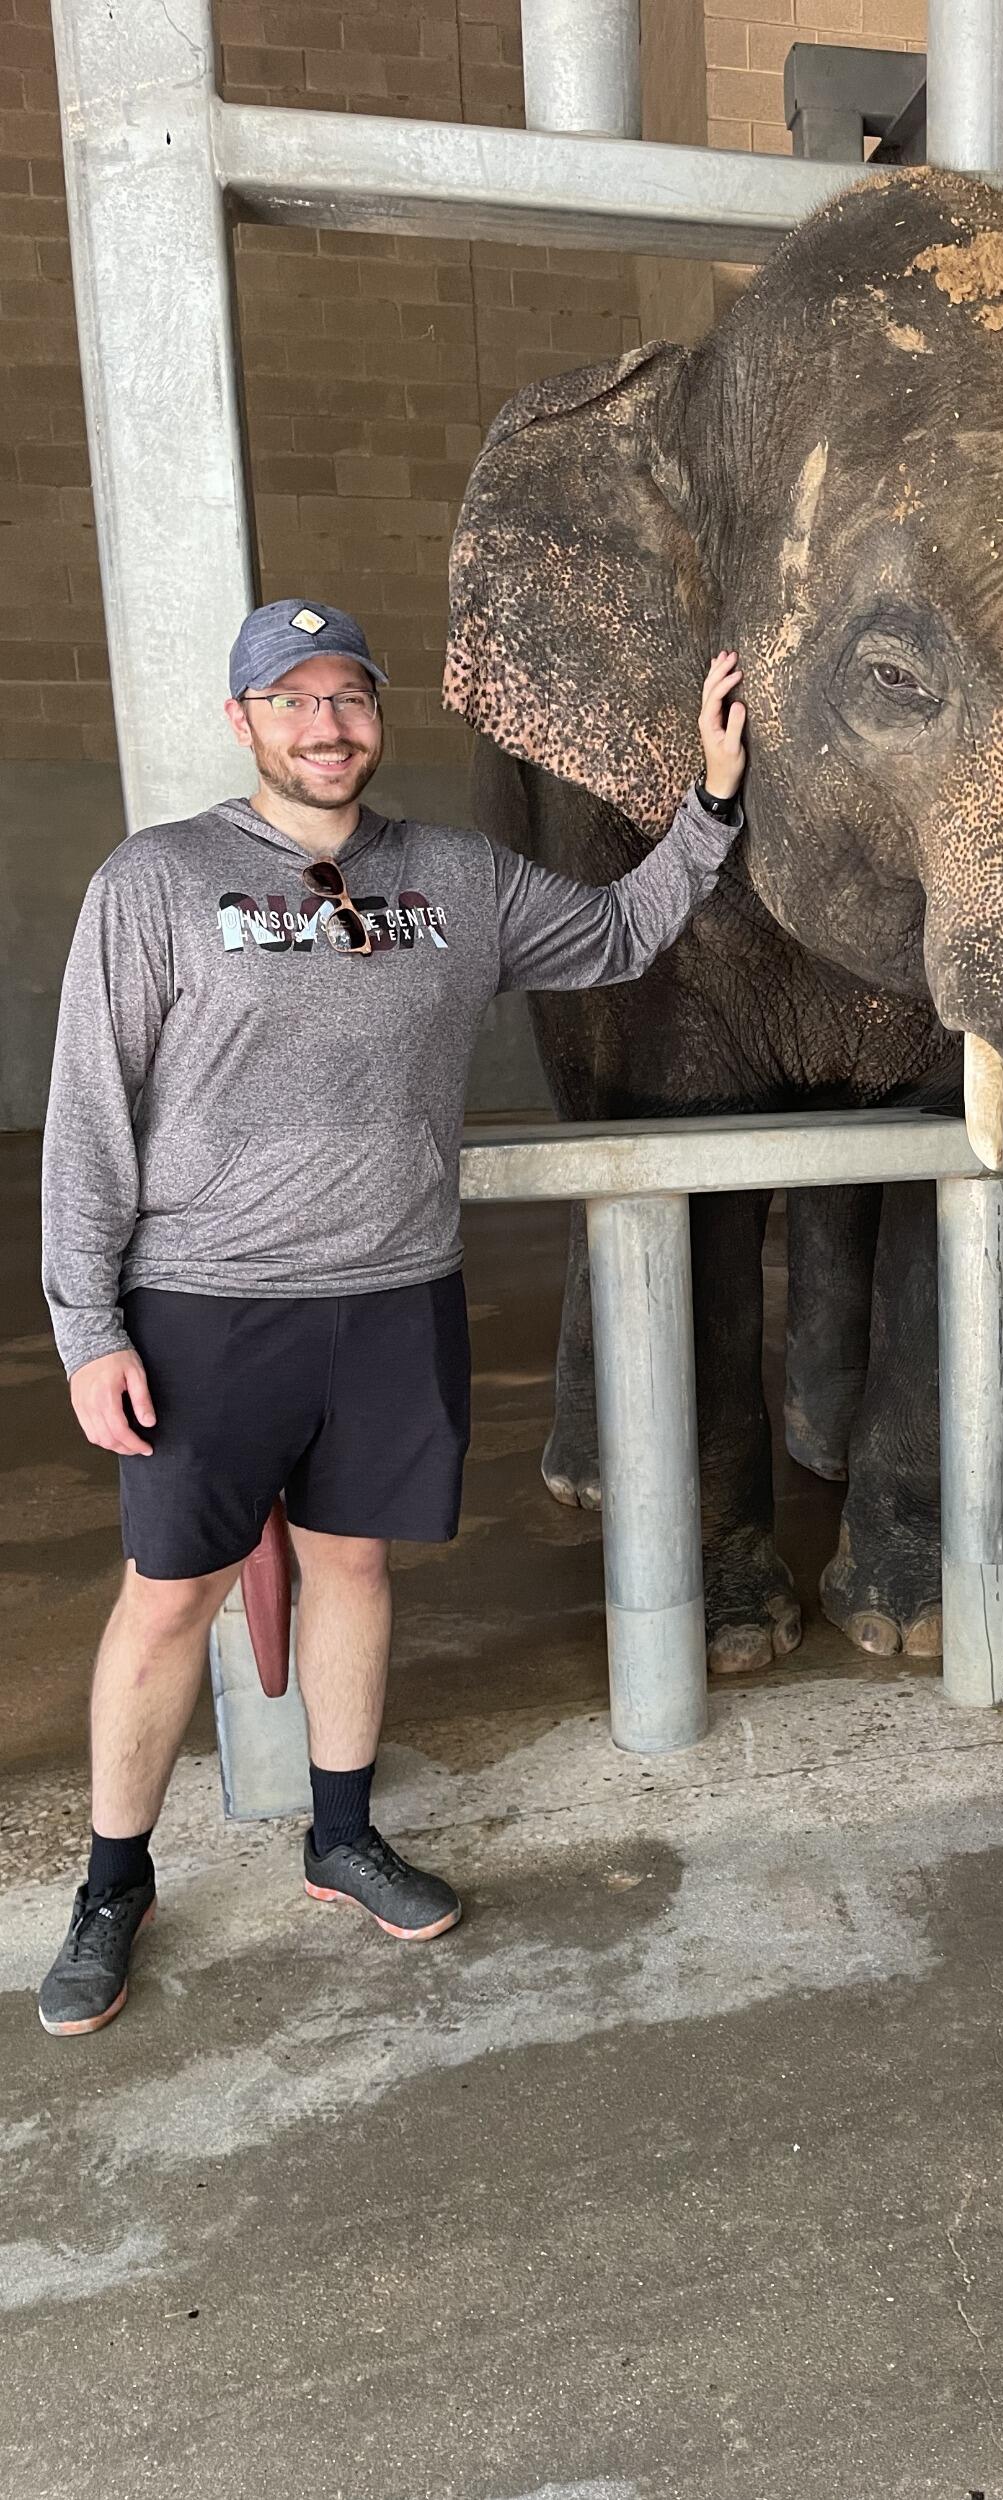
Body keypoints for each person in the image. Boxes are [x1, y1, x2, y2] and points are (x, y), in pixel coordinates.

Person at [36, 599, 750, 2035]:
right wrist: (86, 1324)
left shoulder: (457, 880)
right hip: (205, 1310)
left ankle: (340, 1833)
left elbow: (614, 936)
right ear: (241, 723)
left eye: (346, 697)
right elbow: (88, 1121)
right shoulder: (155, 881)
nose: (324, 725)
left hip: (392, 1295)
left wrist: (713, 805)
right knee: (170, 1596)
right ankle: (113, 1884)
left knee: (355, 1570)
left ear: (377, 716)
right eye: (290, 701)